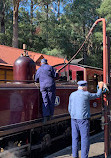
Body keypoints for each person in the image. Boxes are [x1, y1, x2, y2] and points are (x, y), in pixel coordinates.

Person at [68, 80, 104, 158]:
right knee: (84, 139)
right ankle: (84, 156)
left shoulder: (72, 94)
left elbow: (69, 108)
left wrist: (73, 115)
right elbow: (98, 95)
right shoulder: (86, 94)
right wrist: (100, 87)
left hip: (73, 119)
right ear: (84, 87)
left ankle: (75, 156)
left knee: (75, 138)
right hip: (83, 119)